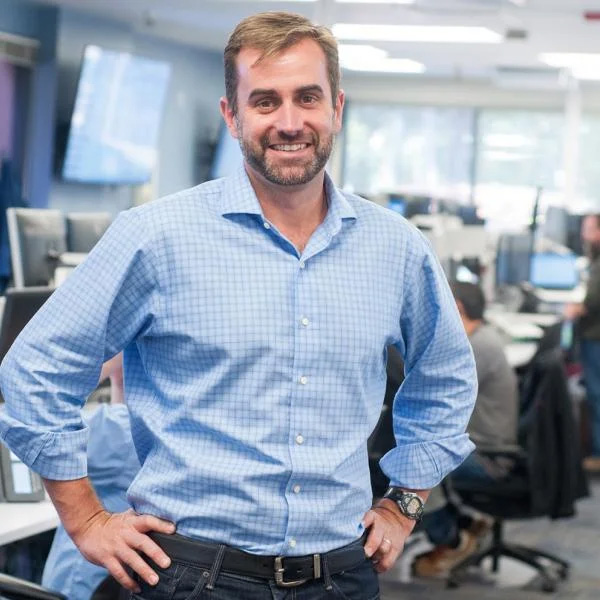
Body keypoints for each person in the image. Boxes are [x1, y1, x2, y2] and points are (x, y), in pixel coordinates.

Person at [0, 12, 477, 600]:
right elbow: (34, 372)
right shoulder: (155, 237)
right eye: (265, 101)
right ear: (232, 115)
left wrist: (405, 502)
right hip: (193, 576)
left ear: (337, 108)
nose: (290, 122)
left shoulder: (396, 248)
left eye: (308, 97)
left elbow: (447, 378)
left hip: (341, 577)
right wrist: (87, 520)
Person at [415, 281, 519, 577]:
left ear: (456, 308)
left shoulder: (477, 348)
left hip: (490, 457)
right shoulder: (484, 338)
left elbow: (431, 388)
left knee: (422, 464)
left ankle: (451, 540)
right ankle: (464, 524)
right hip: (486, 445)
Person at [42, 354, 138, 600]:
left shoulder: (115, 429)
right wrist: (119, 376)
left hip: (77, 587)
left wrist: (97, 367)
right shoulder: (144, 428)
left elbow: (38, 422)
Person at [564, 213, 600, 473]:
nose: (583, 234)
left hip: (595, 338)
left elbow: (593, 302)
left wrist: (576, 309)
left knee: (597, 396)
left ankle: (598, 455)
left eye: (588, 229)